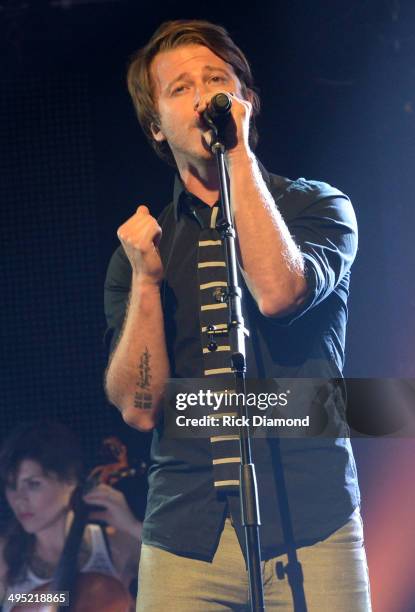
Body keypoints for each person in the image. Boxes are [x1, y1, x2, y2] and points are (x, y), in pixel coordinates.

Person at [104, 19, 372, 611]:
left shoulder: (316, 207)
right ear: (155, 126)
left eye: (219, 80)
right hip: (185, 536)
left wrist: (237, 155)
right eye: (180, 89)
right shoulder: (141, 247)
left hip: (312, 524)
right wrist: (147, 282)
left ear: (246, 101)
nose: (205, 97)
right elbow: (138, 407)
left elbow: (278, 292)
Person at [0, 422, 141, 612]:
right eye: (11, 486)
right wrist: (55, 596)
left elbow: (189, 566)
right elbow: (14, 599)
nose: (19, 499)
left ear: (70, 481)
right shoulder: (4, 556)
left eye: (33, 484)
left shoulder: (116, 545)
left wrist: (133, 527)